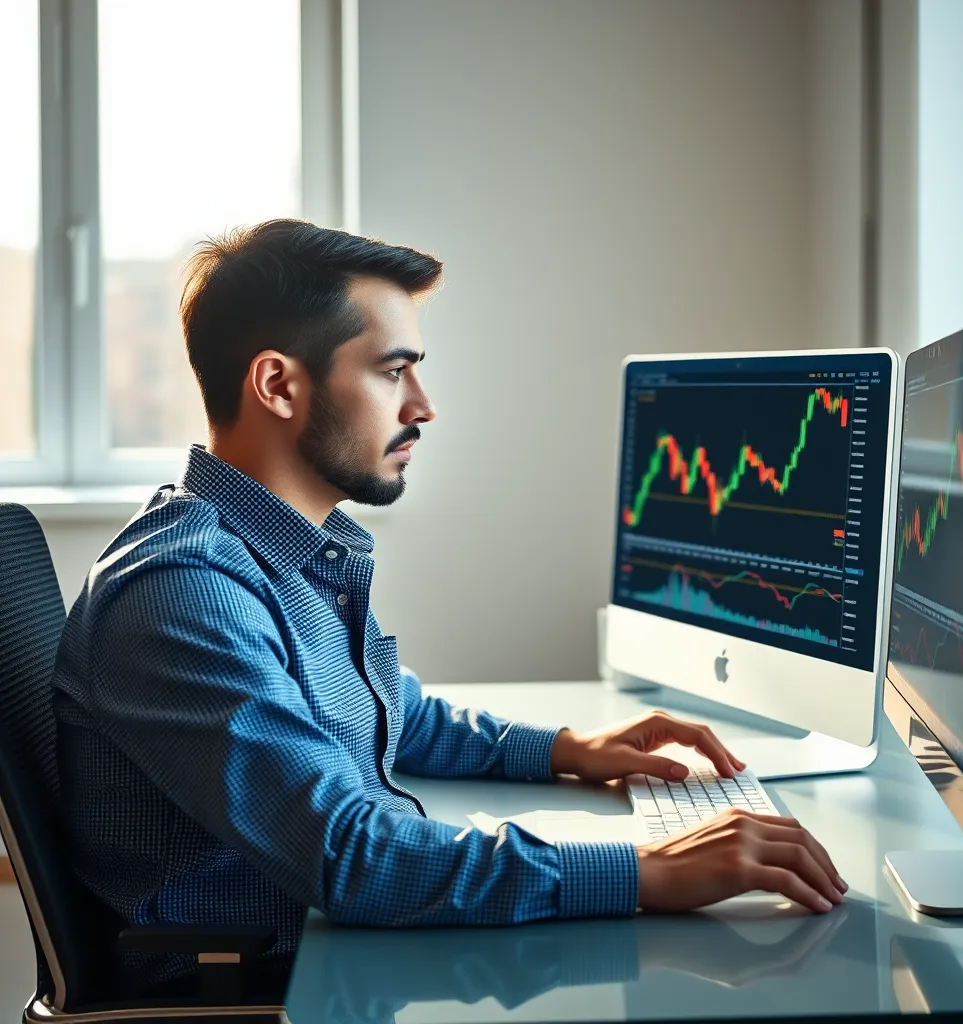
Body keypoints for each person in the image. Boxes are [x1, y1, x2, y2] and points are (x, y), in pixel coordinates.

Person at [52, 220, 846, 958]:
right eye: (393, 371)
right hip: (258, 981)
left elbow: (386, 713)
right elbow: (351, 856)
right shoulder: (184, 591)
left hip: (338, 940)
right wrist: (647, 871)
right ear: (279, 386)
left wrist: (568, 750)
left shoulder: (286, 553)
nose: (423, 407)